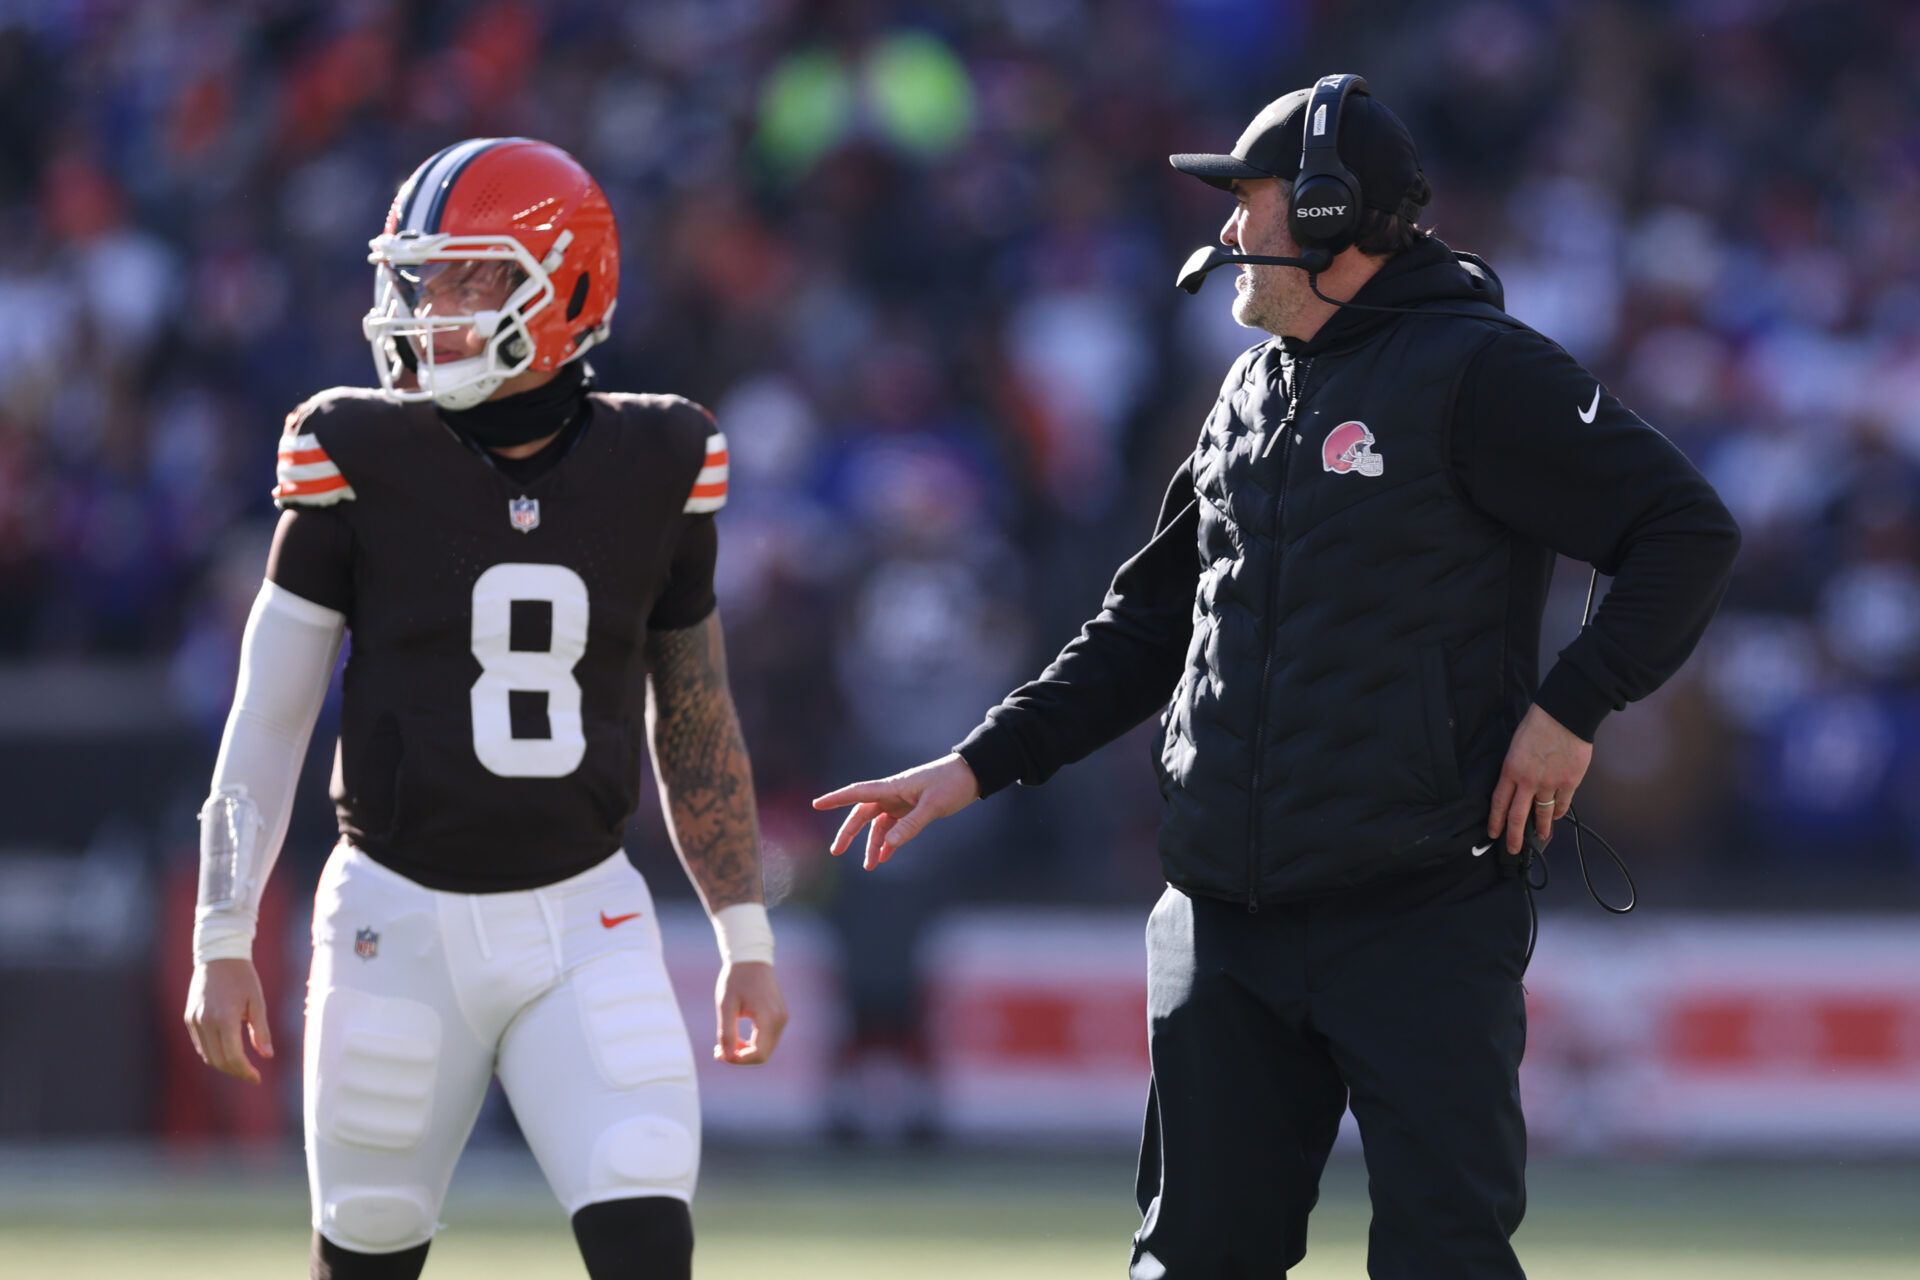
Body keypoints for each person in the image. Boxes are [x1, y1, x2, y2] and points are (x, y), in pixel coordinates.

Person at [814, 76, 1741, 1278]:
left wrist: (1574, 706)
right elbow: (1148, 625)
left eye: (1247, 198)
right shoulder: (1250, 386)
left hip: (1419, 907)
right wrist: (978, 761)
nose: (1227, 227)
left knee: (1442, 1259)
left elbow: (1683, 528)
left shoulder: (1479, 370)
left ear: (1328, 211)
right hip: (1221, 920)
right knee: (1190, 1258)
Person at [181, 137, 787, 1280]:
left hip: (586, 919)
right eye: (424, 278)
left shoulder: (664, 452)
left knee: (649, 1235)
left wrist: (742, 933)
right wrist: (224, 931)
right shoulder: (352, 446)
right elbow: (269, 711)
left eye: (472, 277)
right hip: (395, 919)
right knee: (364, 1260)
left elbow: (694, 708)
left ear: (566, 286)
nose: (432, 308)